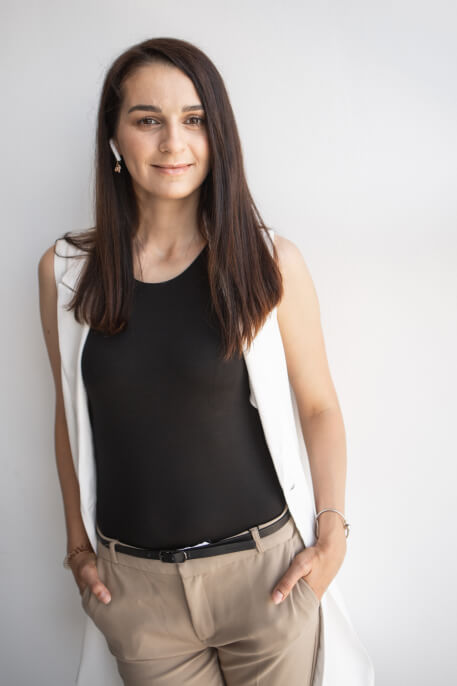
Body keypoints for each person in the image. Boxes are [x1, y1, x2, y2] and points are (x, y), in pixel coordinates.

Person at [38, 37, 374, 686]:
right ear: (113, 137)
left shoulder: (268, 262)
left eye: (193, 119)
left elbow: (318, 406)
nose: (173, 143)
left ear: (218, 133)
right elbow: (70, 416)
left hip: (267, 581)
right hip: (137, 595)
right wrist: (76, 547)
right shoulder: (66, 272)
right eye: (148, 120)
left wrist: (332, 535)